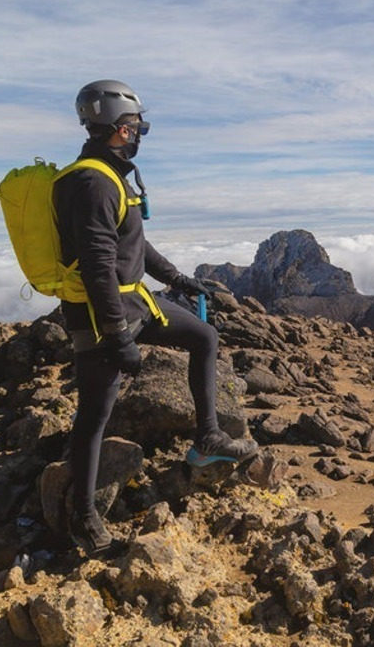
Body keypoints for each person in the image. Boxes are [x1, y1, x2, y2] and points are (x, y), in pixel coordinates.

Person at [55, 79, 258, 556]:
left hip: (133, 302)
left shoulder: (109, 175)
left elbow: (134, 245)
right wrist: (118, 335)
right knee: (95, 415)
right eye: (137, 125)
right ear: (120, 129)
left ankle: (207, 438)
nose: (141, 133)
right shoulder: (92, 182)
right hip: (102, 315)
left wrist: (180, 280)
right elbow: (98, 265)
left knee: (203, 336)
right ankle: (84, 519)